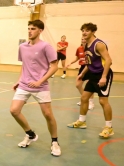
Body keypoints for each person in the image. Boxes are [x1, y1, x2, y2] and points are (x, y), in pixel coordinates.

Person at [10, 19, 61, 156]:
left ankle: (55, 142)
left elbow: (55, 66)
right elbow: (24, 65)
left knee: (48, 115)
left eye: (33, 29)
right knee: (14, 110)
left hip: (41, 86)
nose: (30, 31)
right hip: (24, 84)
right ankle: (30, 134)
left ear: (40, 31)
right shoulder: (22, 47)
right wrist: (19, 80)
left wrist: (40, 81)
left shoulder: (46, 47)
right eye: (28, 28)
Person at [67, 23, 114, 138]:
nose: (84, 32)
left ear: (93, 32)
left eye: (87, 30)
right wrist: (82, 74)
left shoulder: (99, 44)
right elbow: (89, 62)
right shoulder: (86, 45)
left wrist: (103, 77)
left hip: (103, 75)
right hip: (93, 75)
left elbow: (108, 60)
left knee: (103, 101)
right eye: (83, 30)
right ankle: (82, 121)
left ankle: (109, 127)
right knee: (84, 98)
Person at [66, 38, 95, 110]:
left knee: (90, 86)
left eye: (85, 39)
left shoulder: (91, 49)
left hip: (90, 67)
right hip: (82, 67)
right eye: (82, 39)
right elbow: (77, 58)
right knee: (78, 85)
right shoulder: (79, 48)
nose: (83, 40)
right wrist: (70, 63)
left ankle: (91, 102)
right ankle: (84, 99)